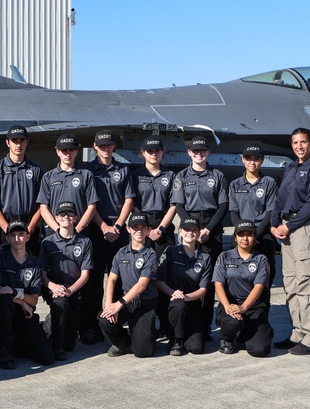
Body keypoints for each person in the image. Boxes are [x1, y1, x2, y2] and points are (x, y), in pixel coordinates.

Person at [270, 128, 310, 355]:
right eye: (295, 143)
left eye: (303, 142)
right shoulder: (292, 167)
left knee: (306, 285)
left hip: (304, 230)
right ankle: (298, 334)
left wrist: (288, 225)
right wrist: (275, 222)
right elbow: (279, 198)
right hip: (286, 232)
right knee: (291, 285)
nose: (299, 146)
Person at [170, 134, 228, 339]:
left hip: (211, 227)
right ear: (189, 153)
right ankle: (184, 322)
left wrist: (208, 230)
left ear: (208, 152)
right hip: (189, 226)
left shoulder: (218, 175)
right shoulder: (182, 177)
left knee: (209, 279)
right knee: (186, 275)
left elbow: (223, 205)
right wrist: (191, 230)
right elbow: (179, 205)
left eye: (202, 150)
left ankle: (204, 326)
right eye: (195, 151)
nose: (199, 154)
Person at [81, 129, 135, 345]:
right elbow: (88, 202)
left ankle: (117, 321)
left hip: (118, 229)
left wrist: (118, 226)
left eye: (109, 145)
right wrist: (103, 226)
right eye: (101, 145)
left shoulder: (123, 169)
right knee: (93, 281)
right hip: (96, 229)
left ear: (114, 147)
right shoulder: (87, 171)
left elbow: (129, 199)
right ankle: (91, 325)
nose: (105, 149)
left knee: (122, 278)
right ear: (95, 147)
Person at [0, 220, 55, 368]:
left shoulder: (36, 263)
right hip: (5, 311)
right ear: (7, 238)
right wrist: (20, 301)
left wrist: (14, 292)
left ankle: (19, 343)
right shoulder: (0, 257)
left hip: (26, 315)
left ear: (28, 237)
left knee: (47, 357)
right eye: (12, 235)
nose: (16, 239)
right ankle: (3, 350)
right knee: (4, 299)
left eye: (21, 235)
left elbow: (33, 301)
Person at [98, 212, 159, 358]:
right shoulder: (121, 253)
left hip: (145, 304)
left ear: (148, 230)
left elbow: (142, 285)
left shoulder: (150, 254)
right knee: (104, 319)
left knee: (142, 353)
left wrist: (118, 304)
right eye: (135, 227)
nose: (139, 231)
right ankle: (122, 343)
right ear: (128, 229)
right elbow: (111, 279)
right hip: (127, 303)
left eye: (143, 227)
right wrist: (109, 304)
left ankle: (150, 333)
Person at [39, 201, 93, 360]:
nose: (66, 217)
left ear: (76, 217)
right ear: (56, 218)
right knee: (61, 303)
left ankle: (51, 325)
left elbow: (85, 275)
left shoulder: (85, 242)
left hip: (74, 290)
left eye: (70, 213)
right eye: (62, 214)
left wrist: (70, 290)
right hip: (54, 288)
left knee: (70, 345)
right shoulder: (48, 242)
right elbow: (42, 273)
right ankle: (56, 345)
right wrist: (54, 287)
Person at [227, 144, 278, 304]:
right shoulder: (235, 184)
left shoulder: (269, 183)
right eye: (248, 158)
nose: (252, 162)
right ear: (243, 160)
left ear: (262, 161)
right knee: (237, 275)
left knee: (265, 276)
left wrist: (255, 235)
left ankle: (262, 313)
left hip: (262, 235)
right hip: (241, 235)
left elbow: (270, 212)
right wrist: (242, 234)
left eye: (256, 159)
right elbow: (233, 211)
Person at [214, 220, 273, 357]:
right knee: (232, 321)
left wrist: (244, 307)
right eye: (241, 234)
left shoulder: (261, 259)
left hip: (252, 307)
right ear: (235, 237)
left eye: (249, 234)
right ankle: (226, 338)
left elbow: (259, 287)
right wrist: (228, 306)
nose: (245, 238)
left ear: (254, 238)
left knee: (259, 350)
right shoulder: (225, 256)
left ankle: (250, 332)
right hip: (231, 304)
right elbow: (218, 284)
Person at [155, 217, 212, 356]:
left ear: (198, 234)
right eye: (186, 229)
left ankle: (184, 331)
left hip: (191, 301)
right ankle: (175, 338)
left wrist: (185, 297)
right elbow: (159, 280)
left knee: (197, 348)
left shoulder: (205, 257)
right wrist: (174, 294)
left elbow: (203, 290)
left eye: (194, 230)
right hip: (172, 301)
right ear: (180, 231)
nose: (190, 233)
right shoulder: (170, 251)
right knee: (178, 306)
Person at [0, 124, 43, 253]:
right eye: (14, 141)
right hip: (5, 225)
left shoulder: (36, 170)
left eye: (22, 140)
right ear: (7, 143)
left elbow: (42, 203)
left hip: (29, 225)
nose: (18, 145)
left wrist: (30, 229)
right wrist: (7, 229)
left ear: (27, 142)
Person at [36, 133, 98, 240]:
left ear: (77, 151)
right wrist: (57, 230)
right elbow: (43, 207)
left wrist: (77, 229)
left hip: (80, 231)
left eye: (71, 150)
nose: (68, 154)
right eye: (64, 150)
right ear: (57, 151)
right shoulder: (48, 177)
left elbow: (92, 206)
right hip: (55, 232)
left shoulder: (86, 175)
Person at [130, 135, 177, 259]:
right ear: (143, 153)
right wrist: (146, 229)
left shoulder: (170, 175)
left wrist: (160, 229)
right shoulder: (136, 176)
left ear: (162, 153)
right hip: (142, 225)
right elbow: (134, 204)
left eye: (157, 151)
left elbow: (173, 205)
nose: (153, 154)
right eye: (150, 151)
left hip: (164, 225)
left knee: (164, 266)